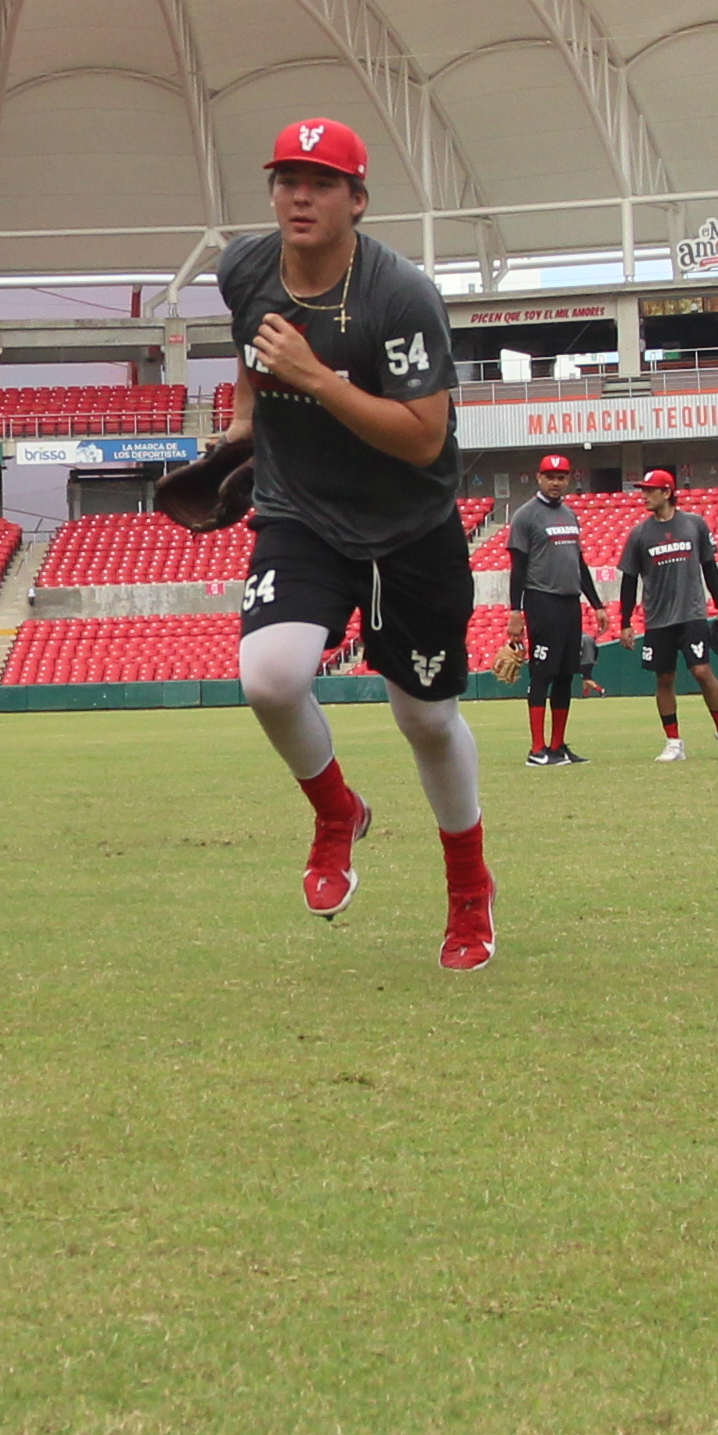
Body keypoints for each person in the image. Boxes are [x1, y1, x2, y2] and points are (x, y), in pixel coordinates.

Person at [213, 117, 493, 969]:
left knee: (427, 721)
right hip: (301, 512)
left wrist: (313, 379)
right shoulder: (245, 268)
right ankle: (338, 811)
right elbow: (253, 354)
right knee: (270, 679)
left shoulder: (398, 295)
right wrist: (240, 425)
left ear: (357, 200)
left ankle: (469, 892)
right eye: (286, 179)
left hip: (410, 527)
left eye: (321, 181)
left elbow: (420, 437)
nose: (299, 195)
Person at [613, 468, 718, 762]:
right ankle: (674, 742)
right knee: (665, 678)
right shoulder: (639, 534)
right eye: (642, 489)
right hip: (658, 619)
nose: (643, 495)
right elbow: (629, 580)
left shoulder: (694, 525)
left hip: (691, 613)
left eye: (649, 490)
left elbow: (709, 566)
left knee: (701, 671)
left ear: (667, 492)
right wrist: (625, 623)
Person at [501, 454, 604, 767]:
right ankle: (537, 749)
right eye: (551, 477)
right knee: (543, 674)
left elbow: (579, 564)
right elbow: (518, 567)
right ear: (539, 478)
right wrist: (515, 611)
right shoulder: (526, 515)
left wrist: (596, 604)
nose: (557, 483)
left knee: (564, 675)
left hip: (569, 602)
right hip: (541, 600)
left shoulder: (570, 514)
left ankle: (557, 747)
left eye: (562, 477)